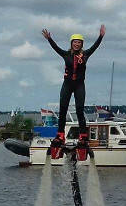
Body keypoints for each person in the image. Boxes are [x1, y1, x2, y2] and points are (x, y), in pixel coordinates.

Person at [41, 24, 105, 158]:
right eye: (75, 42)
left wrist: (100, 36)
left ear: (81, 44)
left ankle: (83, 136)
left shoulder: (85, 54)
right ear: (72, 43)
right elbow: (55, 48)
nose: (77, 44)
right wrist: (49, 39)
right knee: (63, 109)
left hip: (79, 86)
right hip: (67, 85)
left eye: (79, 42)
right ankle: (60, 135)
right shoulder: (66, 54)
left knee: (79, 110)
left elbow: (95, 46)